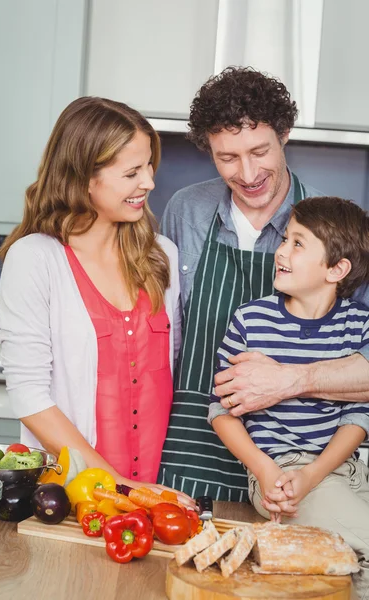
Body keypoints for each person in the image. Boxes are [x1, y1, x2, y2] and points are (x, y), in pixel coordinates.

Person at [158, 66, 369, 501]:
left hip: (301, 469)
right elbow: (169, 334)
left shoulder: (332, 228)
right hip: (190, 451)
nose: (248, 172)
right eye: (228, 157)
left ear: (285, 135)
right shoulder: (185, 212)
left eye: (260, 151)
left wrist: (290, 380)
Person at [0, 96, 191, 504]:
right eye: (132, 172)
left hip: (157, 492)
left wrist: (143, 491)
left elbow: (170, 374)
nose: (149, 182)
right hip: (70, 494)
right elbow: (30, 398)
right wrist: (117, 483)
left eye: (149, 166)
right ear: (84, 177)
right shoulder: (35, 259)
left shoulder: (162, 256)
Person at [209, 196, 369, 597]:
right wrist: (264, 471)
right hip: (282, 472)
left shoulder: (359, 326)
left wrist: (317, 473)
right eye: (285, 239)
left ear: (337, 269)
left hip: (344, 470)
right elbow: (221, 411)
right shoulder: (251, 320)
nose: (280, 251)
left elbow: (359, 416)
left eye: (298, 243)